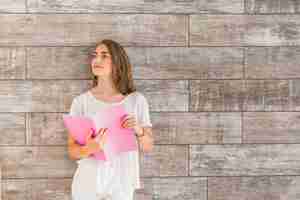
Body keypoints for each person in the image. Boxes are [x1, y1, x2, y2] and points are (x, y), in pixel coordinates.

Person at [67, 39, 154, 200]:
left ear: (117, 63)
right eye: (95, 55)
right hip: (89, 179)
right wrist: (90, 148)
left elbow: (148, 146)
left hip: (122, 179)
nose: (96, 60)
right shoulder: (81, 102)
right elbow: (72, 150)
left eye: (104, 55)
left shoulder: (136, 100)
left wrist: (138, 130)